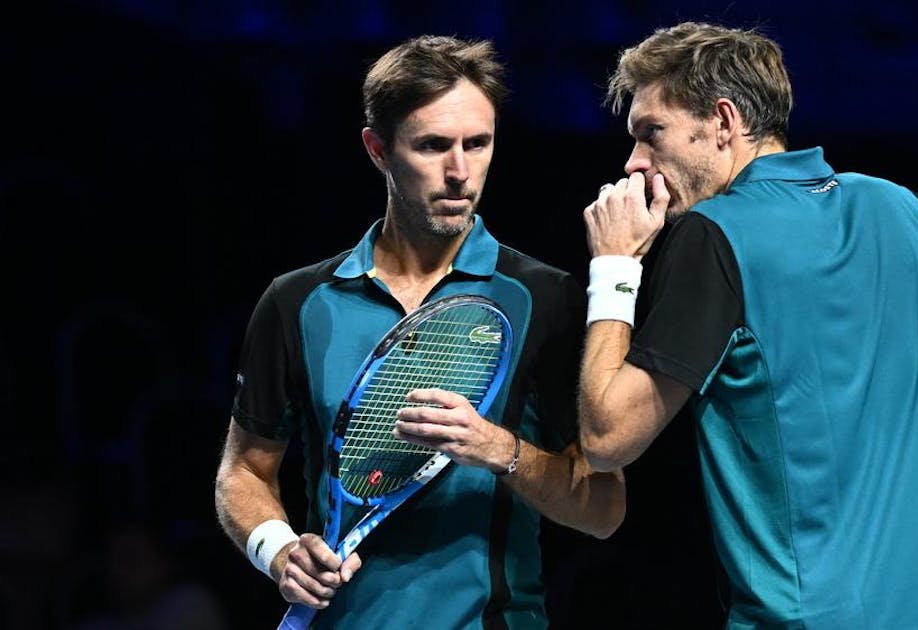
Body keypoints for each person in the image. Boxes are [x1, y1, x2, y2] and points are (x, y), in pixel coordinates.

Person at [577, 21, 918, 630]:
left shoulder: (714, 235)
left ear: (724, 123)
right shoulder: (907, 210)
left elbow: (605, 439)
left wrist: (615, 268)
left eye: (653, 133)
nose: (634, 162)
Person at [214, 35, 625, 629]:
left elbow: (604, 509)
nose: (460, 172)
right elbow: (244, 471)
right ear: (377, 150)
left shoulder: (547, 299)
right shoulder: (297, 302)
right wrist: (277, 550)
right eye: (432, 146)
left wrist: (498, 449)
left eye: (477, 144)